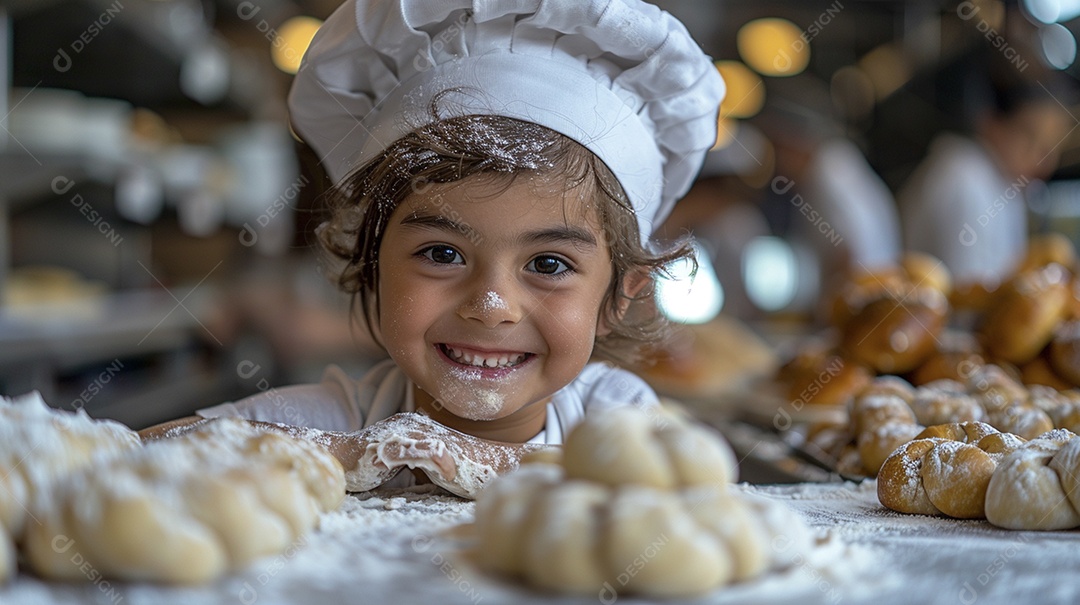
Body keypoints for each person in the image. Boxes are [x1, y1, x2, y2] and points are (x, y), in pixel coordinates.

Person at [140, 0, 724, 499]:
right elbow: (137, 455)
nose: (492, 304)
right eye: (442, 253)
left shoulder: (610, 413)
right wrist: (362, 452)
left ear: (621, 296)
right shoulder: (350, 419)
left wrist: (455, 457)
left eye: (549, 264)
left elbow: (688, 489)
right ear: (371, 266)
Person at [899, 61, 1072, 293]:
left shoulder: (1003, 182)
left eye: (1051, 147)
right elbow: (967, 300)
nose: (1044, 161)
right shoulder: (963, 181)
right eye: (1030, 138)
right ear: (990, 122)